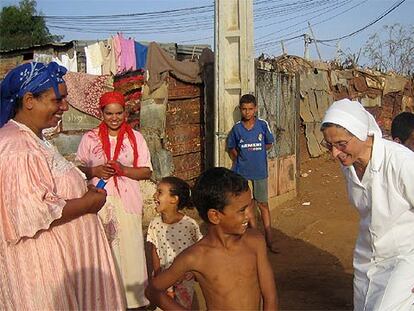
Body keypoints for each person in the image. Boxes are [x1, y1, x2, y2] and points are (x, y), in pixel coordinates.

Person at [0, 62, 125, 310]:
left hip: (65, 262)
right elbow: (29, 210)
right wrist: (89, 203)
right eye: (58, 100)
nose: (65, 107)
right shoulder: (16, 147)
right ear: (29, 100)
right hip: (41, 269)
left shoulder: (34, 139)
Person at [320, 98, 414, 310]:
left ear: (361, 133)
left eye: (341, 144)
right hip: (366, 258)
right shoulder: (349, 166)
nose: (335, 153)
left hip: (404, 258)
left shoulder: (402, 162)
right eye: (329, 145)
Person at [145, 167, 278, 310]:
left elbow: (270, 296)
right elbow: (153, 290)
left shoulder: (255, 241)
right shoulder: (195, 256)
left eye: (249, 207)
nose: (249, 215)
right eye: (242, 210)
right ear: (215, 216)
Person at [76, 90, 152, 308]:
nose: (114, 118)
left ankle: (135, 300)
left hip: (128, 203)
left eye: (119, 113)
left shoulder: (135, 138)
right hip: (100, 203)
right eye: (109, 113)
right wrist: (95, 170)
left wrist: (123, 170)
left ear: (125, 113)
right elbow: (78, 168)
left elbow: (146, 171)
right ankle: (107, 299)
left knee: (131, 250)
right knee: (105, 249)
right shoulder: (89, 138)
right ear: (102, 113)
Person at [227, 93, 278, 253]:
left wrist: (258, 153)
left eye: (250, 109)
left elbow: (269, 143)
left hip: (260, 172)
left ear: (255, 109)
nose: (247, 112)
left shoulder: (262, 125)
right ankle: (256, 239)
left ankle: (270, 239)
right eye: (244, 109)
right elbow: (232, 148)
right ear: (241, 110)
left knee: (263, 204)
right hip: (242, 173)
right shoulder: (237, 129)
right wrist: (241, 159)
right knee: (247, 206)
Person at [147, 176, 203, 309]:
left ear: (174, 199)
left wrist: (195, 273)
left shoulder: (189, 224)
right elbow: (154, 250)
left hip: (184, 279)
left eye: (160, 192)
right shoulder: (155, 224)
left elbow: (199, 249)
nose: (155, 195)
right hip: (163, 278)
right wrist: (158, 275)